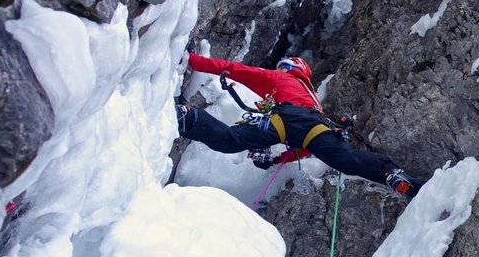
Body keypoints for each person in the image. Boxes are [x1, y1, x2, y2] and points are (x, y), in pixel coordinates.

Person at [176, 53, 425, 197]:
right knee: (350, 162)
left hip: (284, 120)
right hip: (314, 129)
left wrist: (193, 60)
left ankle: (190, 118)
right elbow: (305, 148)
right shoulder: (313, 99)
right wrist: (275, 161)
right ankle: (393, 174)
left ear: (289, 68)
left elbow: (236, 70)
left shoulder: (280, 78)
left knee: (232, 140)